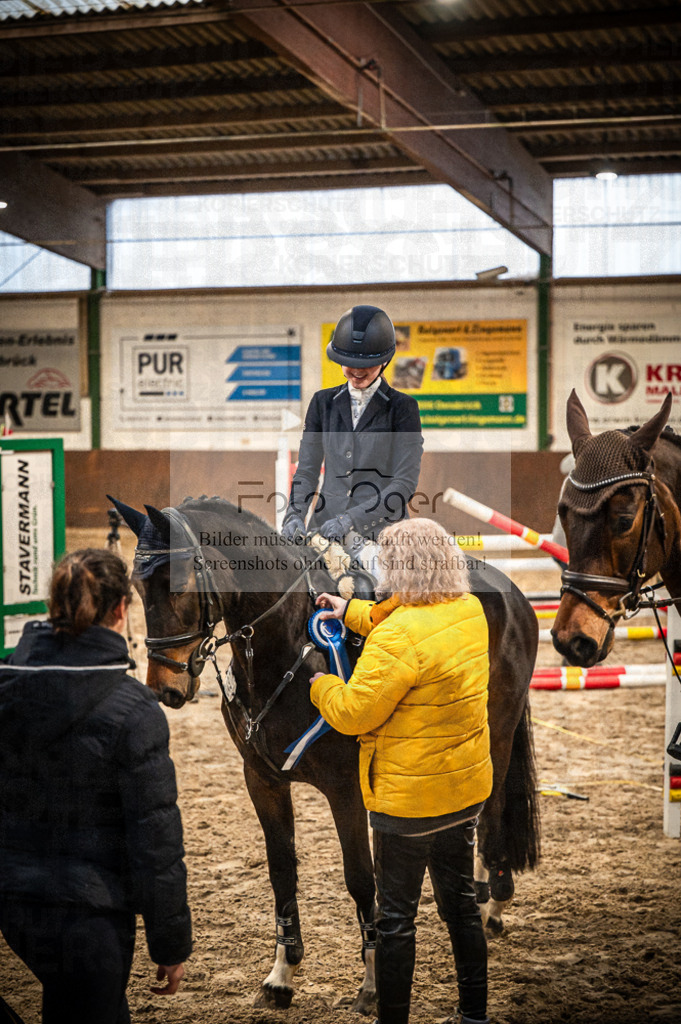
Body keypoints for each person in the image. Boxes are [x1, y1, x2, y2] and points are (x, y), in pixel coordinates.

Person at [309, 518, 492, 1024]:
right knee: (459, 906)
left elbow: (351, 714)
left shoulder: (398, 639)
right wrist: (351, 613)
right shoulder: (468, 610)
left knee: (396, 922)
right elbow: (403, 622)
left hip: (406, 808)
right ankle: (474, 1014)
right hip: (464, 792)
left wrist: (320, 683)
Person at [0, 548, 192, 1024]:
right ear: (121, 610)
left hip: (15, 904)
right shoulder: (134, 709)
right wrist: (170, 942)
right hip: (91, 914)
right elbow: (155, 839)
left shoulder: (6, 685)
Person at [281, 305, 423, 577]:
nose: (356, 372)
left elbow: (403, 485)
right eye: (349, 364)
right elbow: (307, 470)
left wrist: (350, 520)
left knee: (388, 586)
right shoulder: (323, 403)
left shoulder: (403, 408)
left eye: (366, 366)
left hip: (381, 533)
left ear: (384, 361)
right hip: (324, 529)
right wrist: (294, 515)